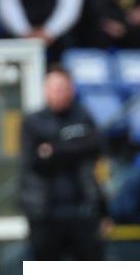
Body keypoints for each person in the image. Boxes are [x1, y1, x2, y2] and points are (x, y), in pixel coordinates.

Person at [20, 69, 105, 260]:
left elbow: (95, 146)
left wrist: (55, 150)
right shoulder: (33, 121)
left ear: (71, 90)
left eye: (63, 88)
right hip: (44, 213)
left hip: (83, 210)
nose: (59, 93)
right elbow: (34, 161)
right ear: (45, 90)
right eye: (54, 88)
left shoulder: (82, 116)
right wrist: (73, 148)